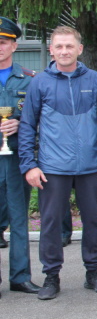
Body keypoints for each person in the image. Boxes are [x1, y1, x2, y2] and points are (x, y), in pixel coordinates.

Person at [19, 26, 97, 300]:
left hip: (90, 166)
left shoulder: (95, 79)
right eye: (59, 46)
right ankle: (51, 276)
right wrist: (29, 165)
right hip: (52, 168)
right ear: (51, 50)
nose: (64, 51)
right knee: (50, 223)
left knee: (93, 221)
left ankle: (94, 272)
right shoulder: (39, 83)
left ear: (79, 49)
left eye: (69, 46)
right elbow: (27, 125)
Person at [0, 17, 39, 297]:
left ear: (14, 45)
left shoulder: (29, 78)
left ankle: (20, 276)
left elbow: (40, 118)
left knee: (19, 217)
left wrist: (21, 123)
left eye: (3, 43)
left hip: (16, 157)